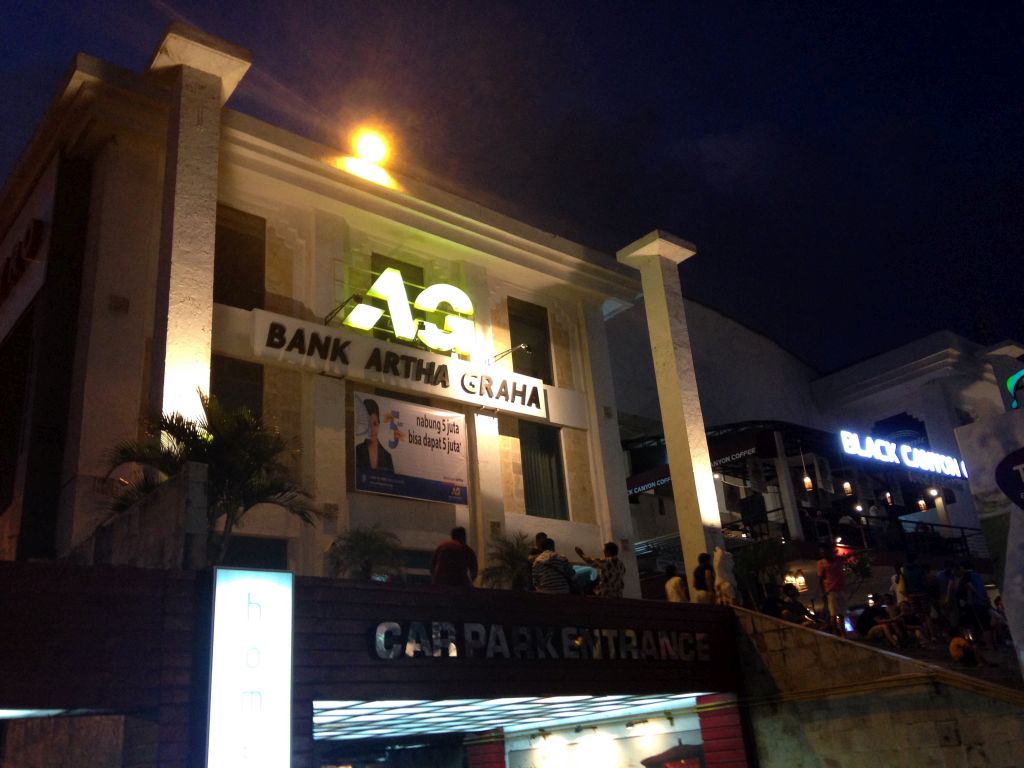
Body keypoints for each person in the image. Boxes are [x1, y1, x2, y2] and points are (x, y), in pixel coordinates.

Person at [355, 398, 394, 473]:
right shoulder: (357, 452)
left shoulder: (387, 457)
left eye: (375, 424)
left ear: (379, 424)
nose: (372, 430)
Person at [816, 545, 848, 634]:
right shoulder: (821, 563)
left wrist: (865, 550)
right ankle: (836, 633)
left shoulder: (838, 559)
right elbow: (820, 579)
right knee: (833, 614)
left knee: (842, 613)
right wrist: (823, 593)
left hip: (841, 589)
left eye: (824, 552)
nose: (823, 554)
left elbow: (849, 556)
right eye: (822, 552)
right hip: (831, 590)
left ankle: (843, 632)